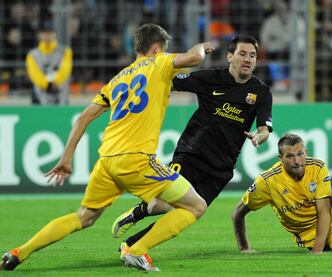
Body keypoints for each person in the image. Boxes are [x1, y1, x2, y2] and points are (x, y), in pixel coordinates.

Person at [1, 23, 214, 272]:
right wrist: (203, 46)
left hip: (107, 161)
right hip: (137, 159)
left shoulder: (117, 79)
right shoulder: (160, 62)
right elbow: (195, 58)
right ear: (156, 48)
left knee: (84, 217)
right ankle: (136, 250)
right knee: (195, 206)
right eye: (163, 48)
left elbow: (82, 118)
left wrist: (66, 158)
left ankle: (19, 252)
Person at [111, 35, 273, 250]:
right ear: (229, 56)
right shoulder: (210, 78)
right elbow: (169, 81)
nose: (248, 59)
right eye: (242, 54)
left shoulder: (261, 92)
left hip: (222, 166)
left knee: (188, 212)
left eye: (252, 55)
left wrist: (258, 136)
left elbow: (264, 129)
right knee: (163, 204)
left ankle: (130, 245)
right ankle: (136, 214)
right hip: (192, 152)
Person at [26, 20, 73, 105]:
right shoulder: (32, 55)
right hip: (40, 93)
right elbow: (34, 74)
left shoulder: (65, 51)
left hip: (60, 92)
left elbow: (65, 71)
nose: (47, 35)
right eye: (44, 32)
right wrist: (47, 85)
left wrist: (56, 83)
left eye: (50, 32)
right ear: (40, 34)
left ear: (54, 34)